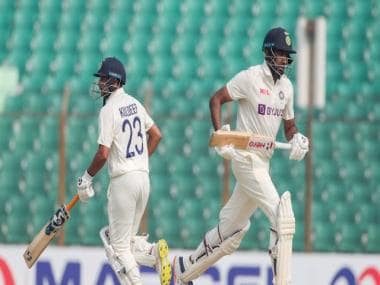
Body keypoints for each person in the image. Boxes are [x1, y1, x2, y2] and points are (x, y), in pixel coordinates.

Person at [172, 27, 309, 285]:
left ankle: (182, 272)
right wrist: (221, 135)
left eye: (287, 56)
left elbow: (289, 126)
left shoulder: (286, 88)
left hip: (263, 163)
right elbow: (216, 99)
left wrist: (297, 139)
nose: (284, 60)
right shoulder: (250, 78)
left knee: (232, 231)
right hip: (246, 159)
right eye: (280, 54)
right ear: (269, 53)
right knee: (282, 217)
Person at [76, 57, 171, 285]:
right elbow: (156, 135)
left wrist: (86, 178)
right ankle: (153, 253)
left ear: (115, 80)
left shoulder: (108, 110)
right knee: (127, 243)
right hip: (143, 179)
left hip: (123, 182)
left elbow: (103, 153)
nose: (99, 84)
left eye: (103, 79)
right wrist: (139, 161)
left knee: (117, 250)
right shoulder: (136, 103)